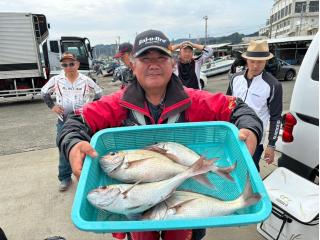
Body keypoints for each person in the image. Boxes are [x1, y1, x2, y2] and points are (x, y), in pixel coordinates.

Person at [58, 30, 263, 240]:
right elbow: (75, 121)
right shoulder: (116, 104)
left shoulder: (193, 99)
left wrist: (250, 128)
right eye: (145, 58)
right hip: (136, 205)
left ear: (172, 63)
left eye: (161, 57)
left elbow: (236, 107)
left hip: (184, 198)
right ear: (133, 64)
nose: (153, 64)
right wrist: (73, 143)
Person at [41, 52, 102, 192]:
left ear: (77, 64)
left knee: (86, 148)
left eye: (71, 64)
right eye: (64, 64)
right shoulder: (56, 80)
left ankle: (88, 175)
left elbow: (99, 94)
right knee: (64, 150)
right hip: (64, 121)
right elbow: (44, 93)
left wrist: (91, 108)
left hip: (83, 121)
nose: (68, 67)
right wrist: (53, 106)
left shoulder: (86, 80)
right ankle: (64, 178)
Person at [226, 40, 283, 172]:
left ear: (266, 62)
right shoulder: (235, 78)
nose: (256, 66)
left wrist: (271, 145)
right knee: (231, 166)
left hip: (255, 138)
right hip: (234, 134)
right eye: (252, 61)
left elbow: (276, 117)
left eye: (260, 62)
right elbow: (227, 104)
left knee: (249, 170)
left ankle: (252, 192)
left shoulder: (273, 85)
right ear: (246, 60)